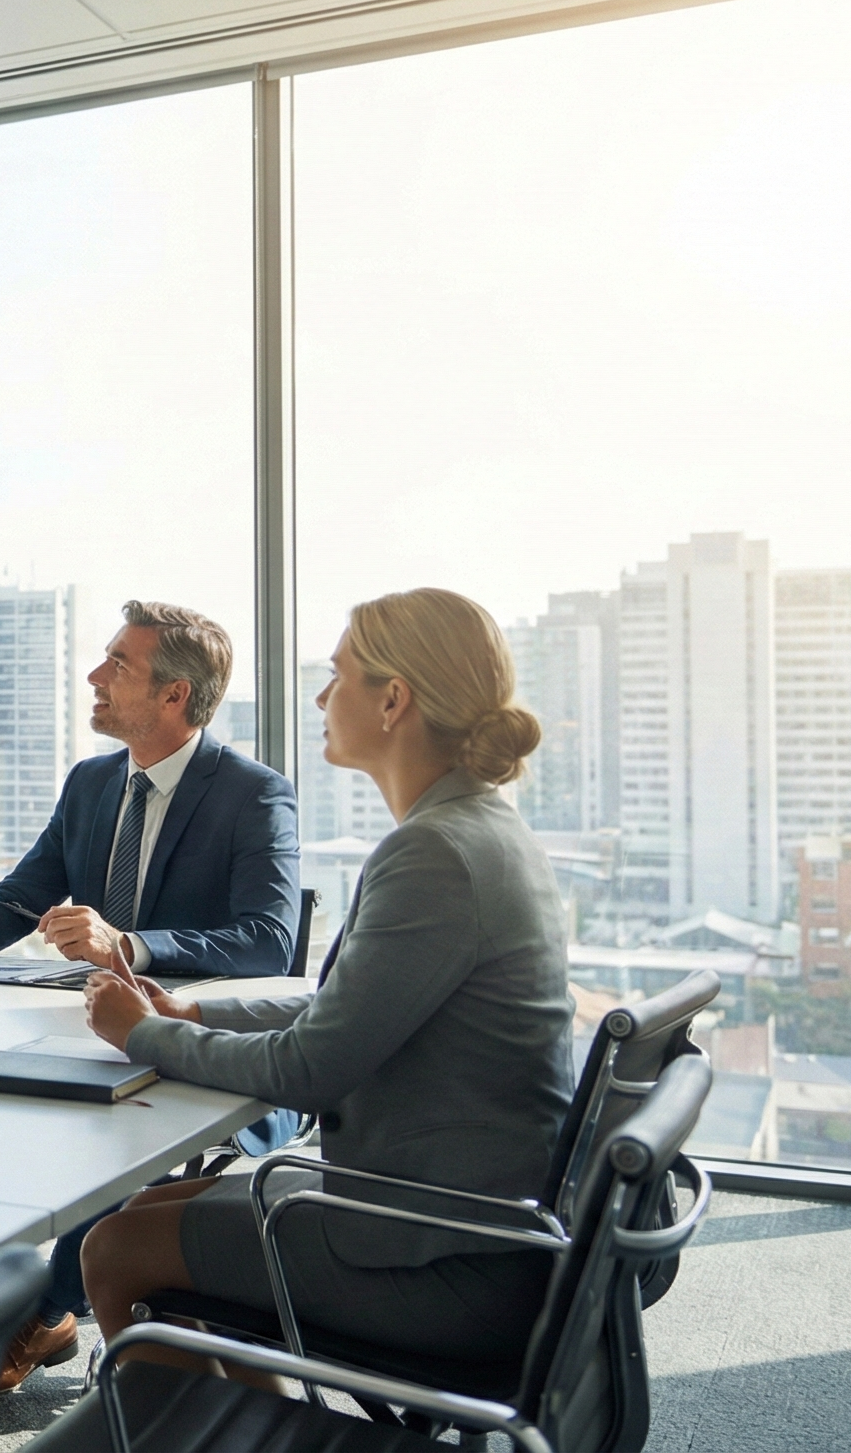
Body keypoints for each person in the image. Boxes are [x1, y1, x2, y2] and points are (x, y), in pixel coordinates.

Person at [74, 587, 571, 1382]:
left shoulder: (434, 854)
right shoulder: (477, 827)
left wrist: (143, 1034)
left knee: (116, 1249)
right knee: (149, 1213)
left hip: (445, 1253)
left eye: (338, 677)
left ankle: (229, 1431)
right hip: (486, 1219)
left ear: (393, 701)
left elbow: (310, 1069)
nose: (320, 695)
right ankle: (256, 1426)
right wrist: (198, 1010)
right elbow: (349, 1008)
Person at [0, 601, 299, 1390]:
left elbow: (268, 940)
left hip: (207, 1056)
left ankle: (37, 1310)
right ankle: (11, 1305)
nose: (94, 677)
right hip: (96, 1036)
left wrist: (132, 946)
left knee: (89, 1137)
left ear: (175, 696)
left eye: (119, 664)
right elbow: (23, 894)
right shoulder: (91, 783)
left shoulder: (253, 794)